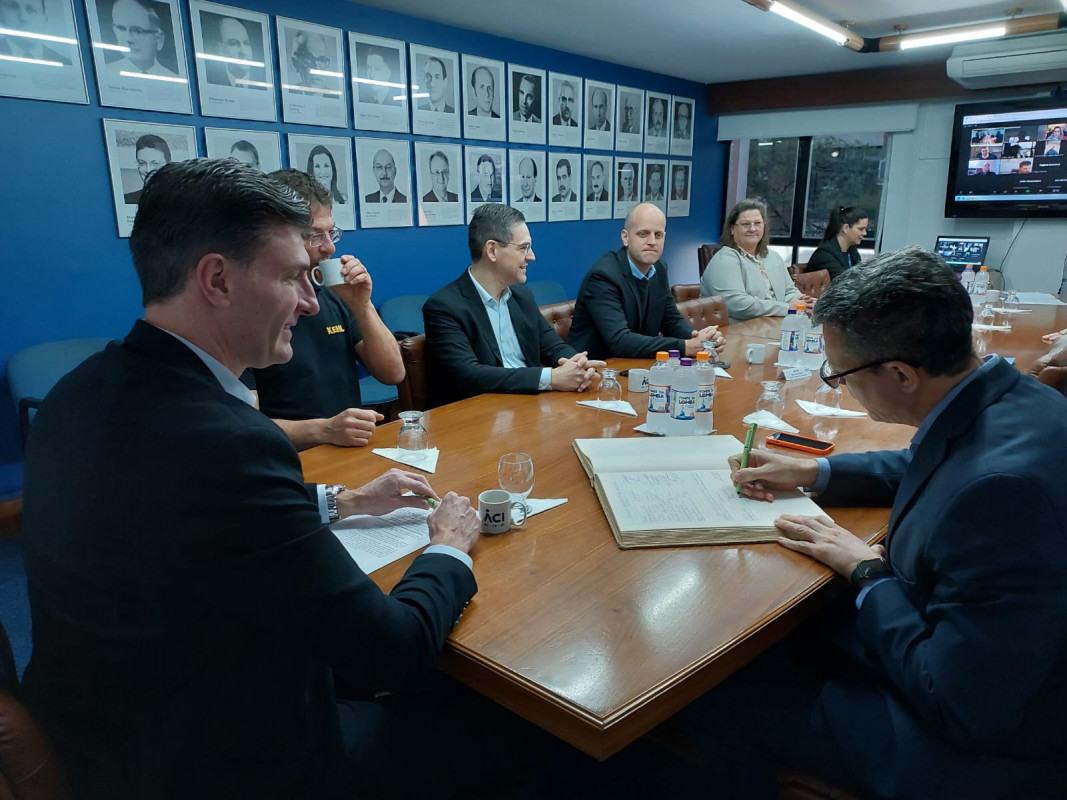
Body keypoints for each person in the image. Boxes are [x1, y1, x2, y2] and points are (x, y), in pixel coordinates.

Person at [18, 157, 485, 797]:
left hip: (101, 730)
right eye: (292, 277)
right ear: (217, 279)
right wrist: (448, 548)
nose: (310, 300)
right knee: (483, 726)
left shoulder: (78, 392)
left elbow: (186, 515)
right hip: (217, 760)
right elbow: (393, 651)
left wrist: (341, 501)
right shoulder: (231, 444)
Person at [677, 247, 1067, 799]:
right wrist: (813, 471)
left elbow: (956, 703)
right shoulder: (1015, 399)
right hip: (981, 663)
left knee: (716, 695)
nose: (839, 384)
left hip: (977, 749)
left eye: (840, 374)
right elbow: (927, 462)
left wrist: (868, 573)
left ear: (901, 374)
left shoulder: (1002, 494)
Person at [243, 168, 403, 450]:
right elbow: (244, 426)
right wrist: (323, 430)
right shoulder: (245, 313)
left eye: (331, 233)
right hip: (288, 457)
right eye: (314, 235)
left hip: (348, 450)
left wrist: (362, 305)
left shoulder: (334, 293)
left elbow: (393, 373)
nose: (329, 248)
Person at [423, 204, 603, 406]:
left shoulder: (522, 297)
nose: (532, 256)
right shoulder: (444, 307)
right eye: (523, 248)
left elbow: (553, 347)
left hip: (528, 404)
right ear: (492, 250)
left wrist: (578, 365)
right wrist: (551, 378)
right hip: (477, 411)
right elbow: (468, 374)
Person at [568, 202, 725, 360]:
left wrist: (699, 339)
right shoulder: (603, 276)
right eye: (643, 234)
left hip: (637, 363)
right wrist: (685, 347)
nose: (652, 241)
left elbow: (670, 320)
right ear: (625, 237)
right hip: (597, 366)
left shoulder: (659, 267)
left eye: (658, 235)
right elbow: (620, 341)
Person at [700, 199, 811, 321]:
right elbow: (738, 304)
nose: (752, 229)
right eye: (746, 224)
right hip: (737, 329)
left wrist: (803, 302)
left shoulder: (773, 256)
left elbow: (789, 290)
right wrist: (788, 308)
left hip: (774, 324)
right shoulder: (724, 260)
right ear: (732, 229)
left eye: (757, 223)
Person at [106, 0, 176, 77]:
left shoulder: (173, 78)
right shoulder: (105, 72)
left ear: (159, 39)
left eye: (137, 31)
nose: (128, 39)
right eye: (121, 28)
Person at [803, 205, 867, 280]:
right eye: (861, 229)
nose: (865, 233)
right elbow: (845, 282)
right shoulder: (824, 255)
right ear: (846, 228)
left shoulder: (852, 251)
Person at [0, 0, 71, 65]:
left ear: (45, 18)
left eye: (31, 9)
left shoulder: (65, 63)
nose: (23, 17)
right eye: (13, 7)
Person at [205, 15, 265, 89]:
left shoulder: (264, 79)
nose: (243, 52)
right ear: (220, 48)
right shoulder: (211, 80)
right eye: (233, 43)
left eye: (247, 43)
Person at [123, 133, 171, 204]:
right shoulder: (127, 200)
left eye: (155, 163)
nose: (148, 170)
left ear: (169, 164)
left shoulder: (183, 198)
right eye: (142, 163)